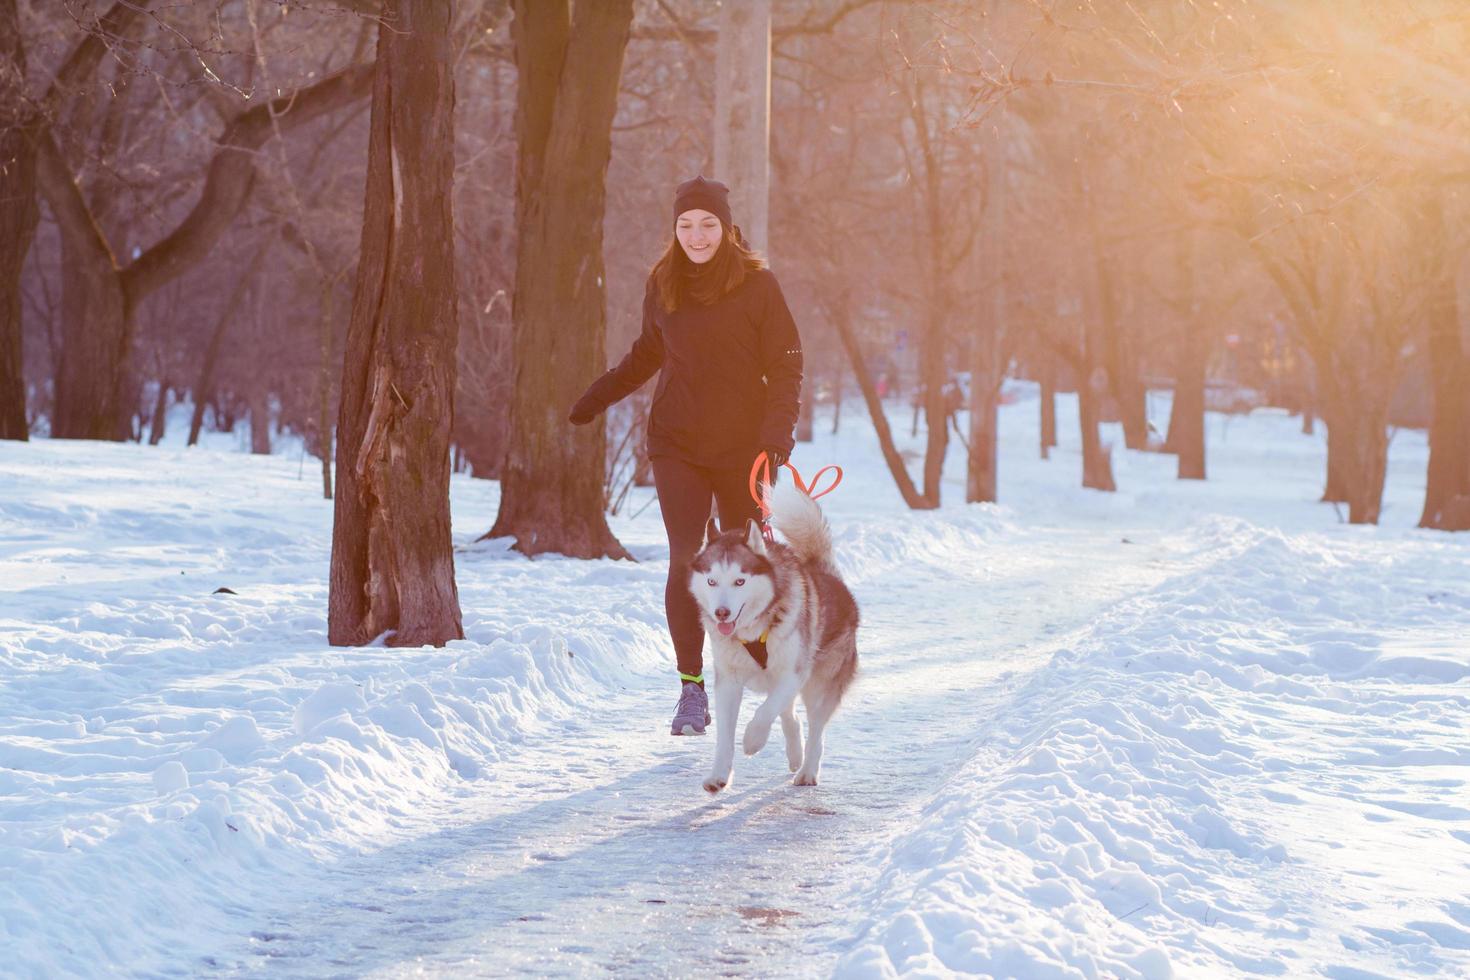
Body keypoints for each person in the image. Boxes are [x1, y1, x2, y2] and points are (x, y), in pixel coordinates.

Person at [568, 175, 803, 736]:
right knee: (686, 559)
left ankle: (763, 672)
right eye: (685, 225)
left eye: (707, 224)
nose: (696, 235)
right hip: (677, 443)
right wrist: (597, 395)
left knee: (745, 565)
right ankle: (692, 690)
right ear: (675, 230)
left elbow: (787, 365)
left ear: (726, 228)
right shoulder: (664, 283)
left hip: (743, 449)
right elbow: (648, 352)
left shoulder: (757, 286)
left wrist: (775, 440)